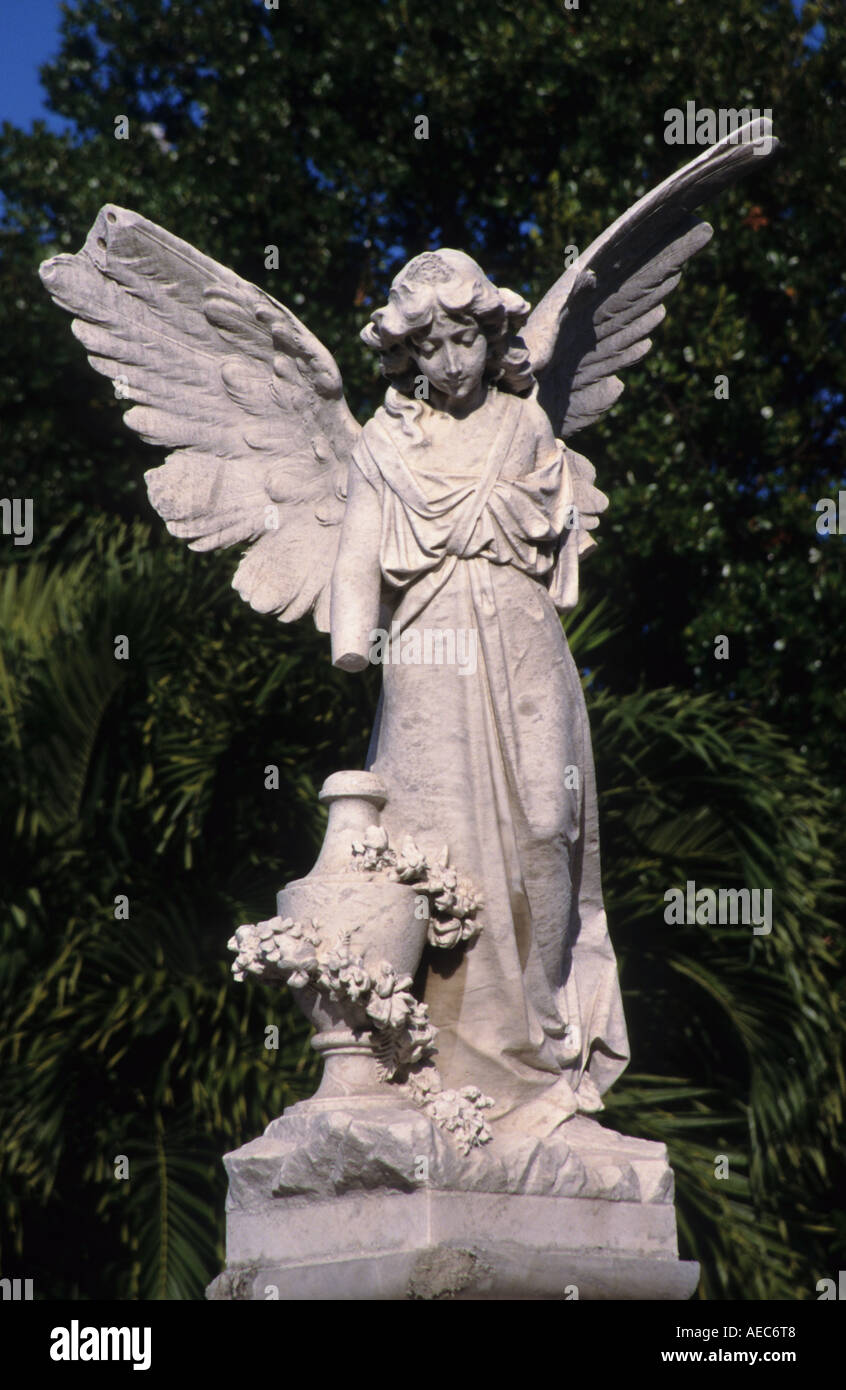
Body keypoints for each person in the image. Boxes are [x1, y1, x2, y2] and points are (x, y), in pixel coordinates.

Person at [331, 249, 629, 1135]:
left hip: (523, 641)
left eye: (463, 338)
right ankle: (449, 1061)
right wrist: (353, 642)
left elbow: (561, 541)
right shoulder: (384, 443)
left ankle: (547, 1039)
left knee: (548, 824)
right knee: (441, 846)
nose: (451, 361)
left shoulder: (525, 425)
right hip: (427, 650)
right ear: (406, 357)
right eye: (429, 347)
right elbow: (355, 551)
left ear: (489, 335)